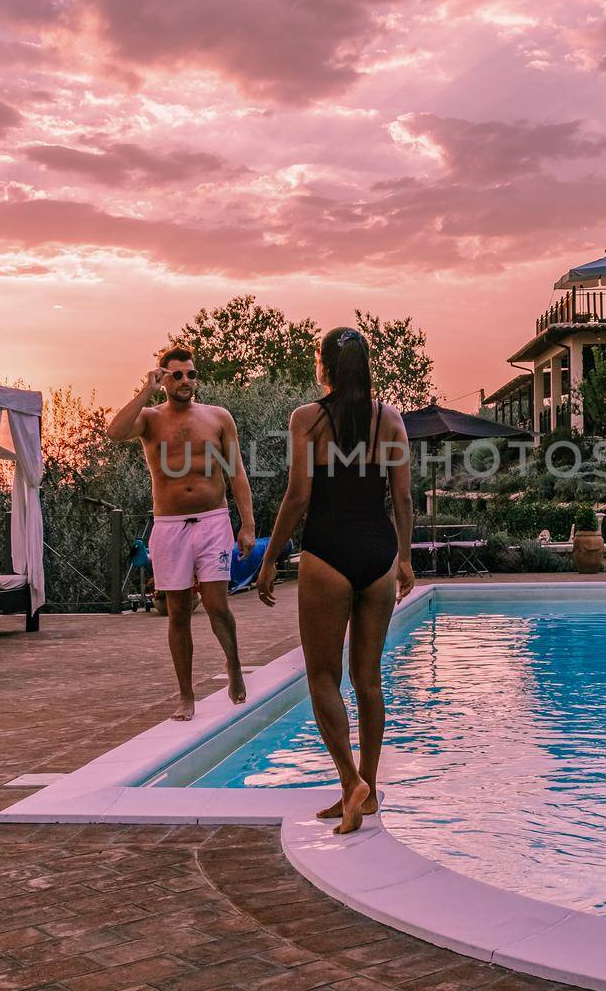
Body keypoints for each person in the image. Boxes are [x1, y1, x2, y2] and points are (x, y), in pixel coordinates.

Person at [257, 327, 414, 834]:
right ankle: (364, 787)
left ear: (323, 366)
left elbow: (298, 497)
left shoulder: (307, 418)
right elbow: (403, 499)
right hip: (379, 554)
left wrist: (269, 559)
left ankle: (352, 784)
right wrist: (405, 559)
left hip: (327, 554)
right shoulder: (389, 419)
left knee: (323, 676)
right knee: (368, 679)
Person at [106, 347, 255, 720]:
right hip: (170, 526)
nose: (185, 381)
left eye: (190, 374)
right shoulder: (150, 419)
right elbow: (114, 432)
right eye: (177, 375)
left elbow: (236, 473)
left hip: (213, 521)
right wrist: (145, 390)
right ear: (163, 379)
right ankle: (186, 695)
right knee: (178, 614)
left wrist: (247, 525)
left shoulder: (218, 417)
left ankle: (233, 666)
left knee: (218, 605)